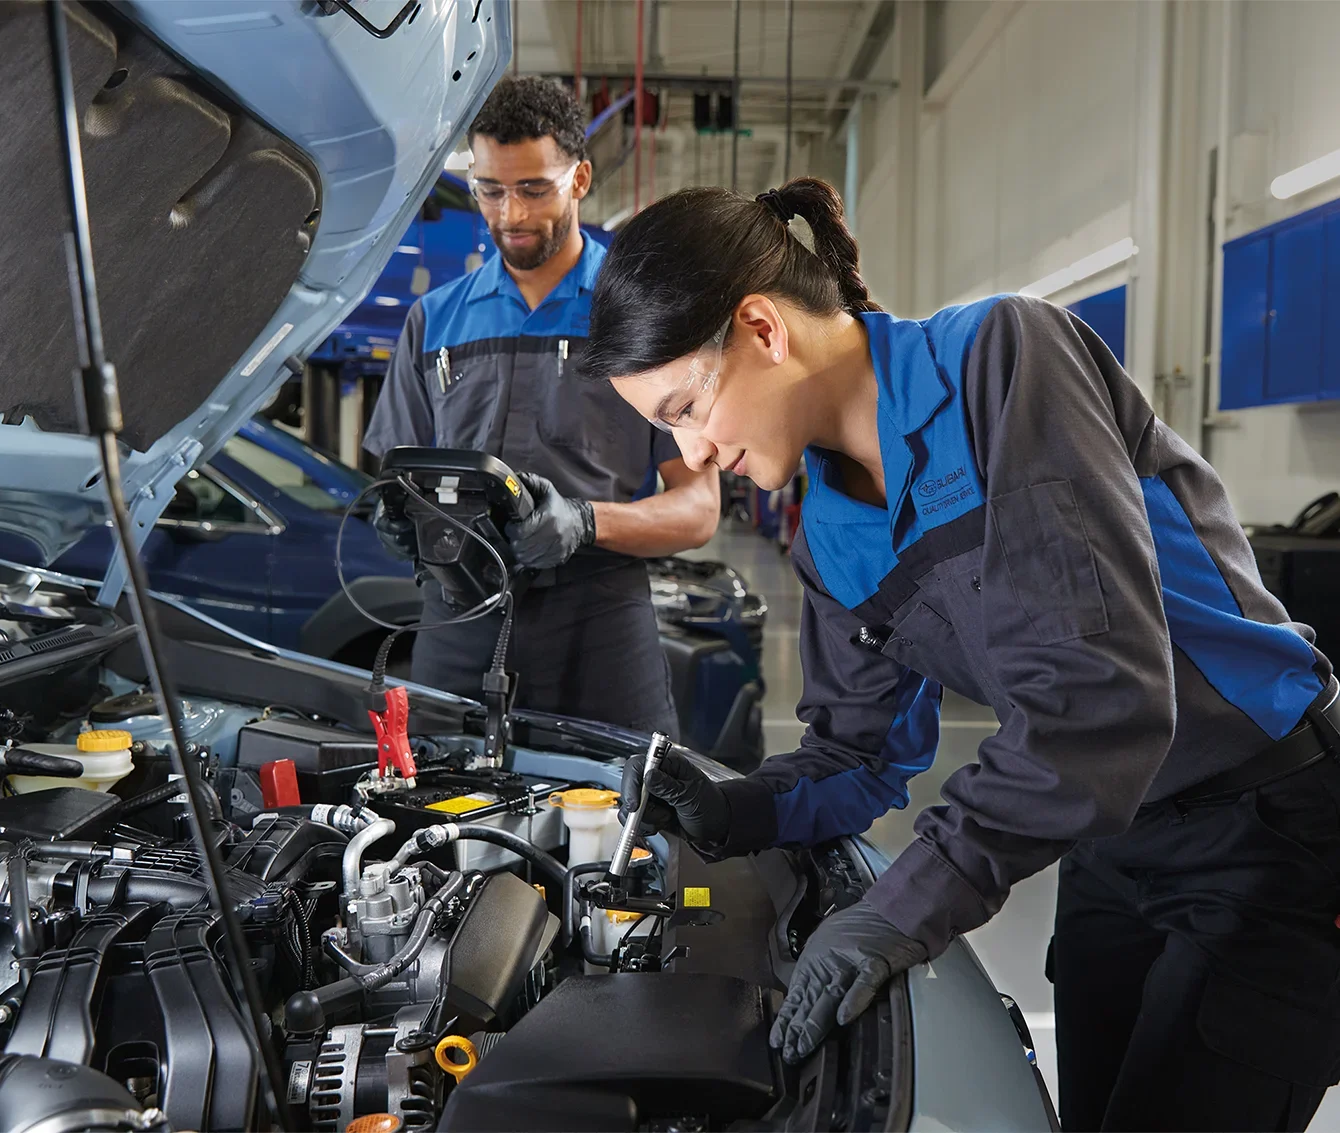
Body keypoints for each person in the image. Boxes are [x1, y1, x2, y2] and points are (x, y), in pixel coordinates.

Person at [579, 177, 1340, 1132]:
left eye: (686, 408)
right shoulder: (831, 541)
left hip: (1267, 822)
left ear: (763, 329)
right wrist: (737, 807)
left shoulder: (1001, 364)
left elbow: (1100, 703)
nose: (691, 452)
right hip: (1108, 838)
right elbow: (860, 753)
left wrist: (903, 908)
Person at [363, 77, 718, 735]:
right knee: (440, 798)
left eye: (533, 189)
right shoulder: (433, 321)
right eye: (490, 190)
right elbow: (395, 477)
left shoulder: (641, 318)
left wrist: (585, 521)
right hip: (457, 618)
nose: (510, 215)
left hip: (600, 626)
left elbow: (699, 509)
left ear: (579, 178)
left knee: (626, 799)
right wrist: (396, 518)